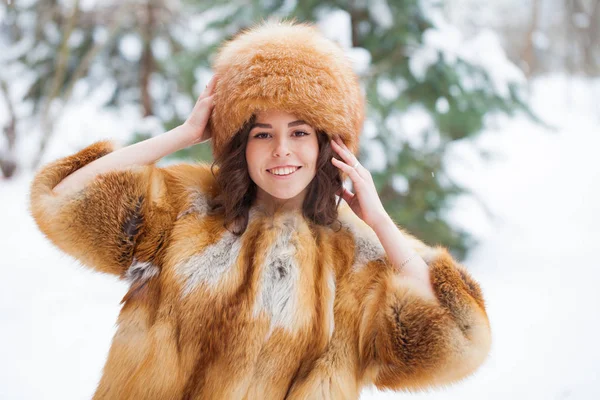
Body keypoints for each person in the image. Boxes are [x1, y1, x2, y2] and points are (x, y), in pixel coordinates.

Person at [30, 21, 491, 400]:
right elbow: (63, 199)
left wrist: (380, 222)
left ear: (328, 144)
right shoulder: (183, 209)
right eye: (262, 133)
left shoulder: (357, 254)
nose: (281, 152)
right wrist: (186, 134)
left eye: (300, 132)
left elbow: (459, 338)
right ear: (240, 144)